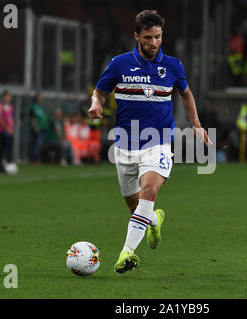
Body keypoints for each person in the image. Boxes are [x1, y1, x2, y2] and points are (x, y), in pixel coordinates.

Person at [87, 10, 211, 274]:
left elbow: (186, 94)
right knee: (137, 208)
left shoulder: (174, 66)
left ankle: (125, 254)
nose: (154, 42)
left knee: (149, 192)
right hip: (124, 145)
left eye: (158, 37)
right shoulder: (119, 64)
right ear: (136, 37)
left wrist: (197, 125)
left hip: (158, 142)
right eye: (148, 37)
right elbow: (100, 90)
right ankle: (154, 221)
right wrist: (96, 103)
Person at [0, 90, 14, 173]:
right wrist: (6, 128)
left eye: (9, 97)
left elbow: (11, 119)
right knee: (1, 148)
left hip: (9, 131)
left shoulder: (11, 107)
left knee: (9, 147)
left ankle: (9, 164)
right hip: (2, 130)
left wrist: (12, 129)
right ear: (3, 97)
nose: (7, 98)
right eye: (6, 97)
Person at [29, 93, 49, 163]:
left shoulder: (42, 108)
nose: (41, 99)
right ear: (36, 99)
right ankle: (34, 159)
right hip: (37, 129)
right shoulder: (33, 107)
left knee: (40, 145)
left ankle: (38, 158)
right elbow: (32, 118)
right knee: (36, 144)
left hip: (43, 129)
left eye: (41, 98)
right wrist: (35, 127)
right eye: (39, 98)